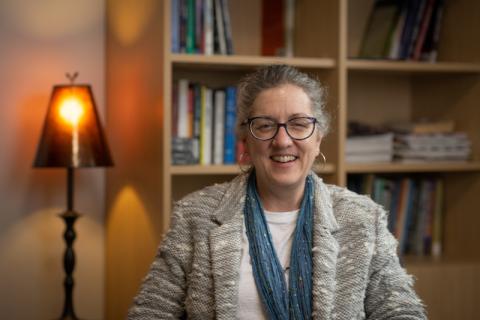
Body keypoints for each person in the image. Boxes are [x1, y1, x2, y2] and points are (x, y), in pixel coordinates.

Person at [128, 65, 426, 319]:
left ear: (319, 138)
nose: (282, 141)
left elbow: (402, 312)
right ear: (245, 139)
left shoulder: (363, 218)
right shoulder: (195, 217)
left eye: (298, 124)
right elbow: (149, 313)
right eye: (266, 126)